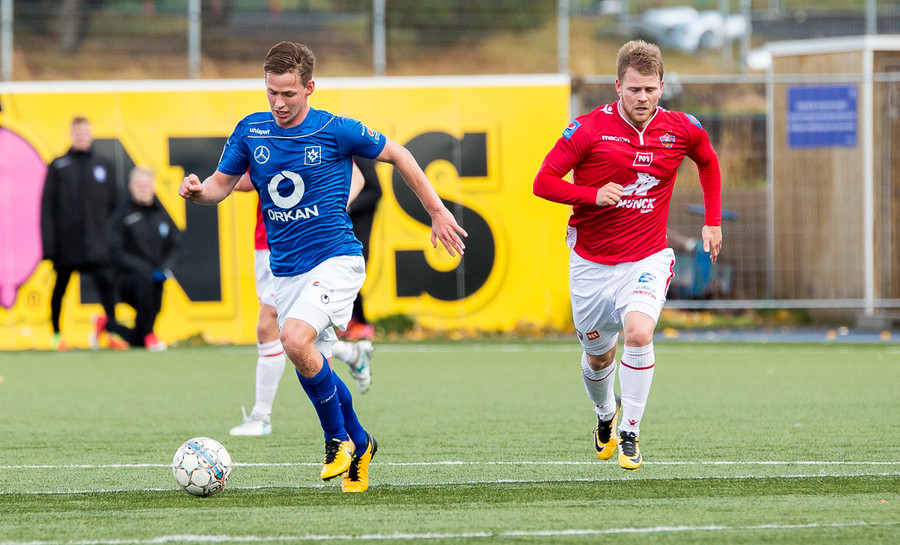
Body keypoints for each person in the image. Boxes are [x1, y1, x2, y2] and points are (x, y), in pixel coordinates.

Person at [178, 41, 467, 492]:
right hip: (286, 271)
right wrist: (198, 192)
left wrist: (437, 211)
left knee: (293, 339)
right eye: (271, 92)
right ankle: (362, 442)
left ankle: (337, 440)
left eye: (288, 93)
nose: (278, 103)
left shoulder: (335, 129)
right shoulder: (251, 131)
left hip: (336, 260)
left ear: (310, 87)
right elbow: (220, 186)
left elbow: (400, 154)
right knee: (312, 360)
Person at [533, 40, 722, 470]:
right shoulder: (588, 129)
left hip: (646, 258)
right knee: (599, 356)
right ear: (618, 86)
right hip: (591, 264)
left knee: (638, 334)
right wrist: (591, 195)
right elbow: (542, 182)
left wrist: (712, 220)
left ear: (661, 88)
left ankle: (630, 432)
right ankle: (605, 414)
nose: (642, 98)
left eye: (650, 90)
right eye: (634, 89)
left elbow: (708, 161)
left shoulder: (681, 128)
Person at [229, 164, 375, 438]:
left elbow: (356, 175)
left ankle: (262, 415)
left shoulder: (319, 137)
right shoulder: (256, 139)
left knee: (274, 327)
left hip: (309, 244)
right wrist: (218, 180)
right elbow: (242, 182)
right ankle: (351, 355)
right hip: (269, 241)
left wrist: (335, 206)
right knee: (296, 334)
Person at [40, 116, 119, 351]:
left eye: (85, 132)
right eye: (78, 133)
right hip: (67, 244)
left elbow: (115, 205)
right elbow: (47, 208)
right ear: (71, 135)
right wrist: (49, 246)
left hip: (96, 243)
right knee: (60, 289)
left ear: (91, 135)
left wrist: (109, 239)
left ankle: (111, 332)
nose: (82, 137)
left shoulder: (104, 165)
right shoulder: (58, 166)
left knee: (107, 285)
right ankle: (56, 334)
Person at [100, 167, 182, 352]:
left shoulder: (161, 214)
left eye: (146, 184)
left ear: (153, 186)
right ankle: (150, 335)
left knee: (138, 339)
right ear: (131, 187)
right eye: (139, 184)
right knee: (145, 282)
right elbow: (115, 251)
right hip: (127, 280)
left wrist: (165, 268)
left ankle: (107, 325)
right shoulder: (122, 215)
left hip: (155, 279)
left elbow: (176, 246)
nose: (143, 188)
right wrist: (144, 269)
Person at [340, 156, 382, 341]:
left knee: (352, 272)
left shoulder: (358, 154)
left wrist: (347, 207)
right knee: (341, 274)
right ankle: (352, 320)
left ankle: (363, 323)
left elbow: (375, 191)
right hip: (342, 227)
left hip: (358, 226)